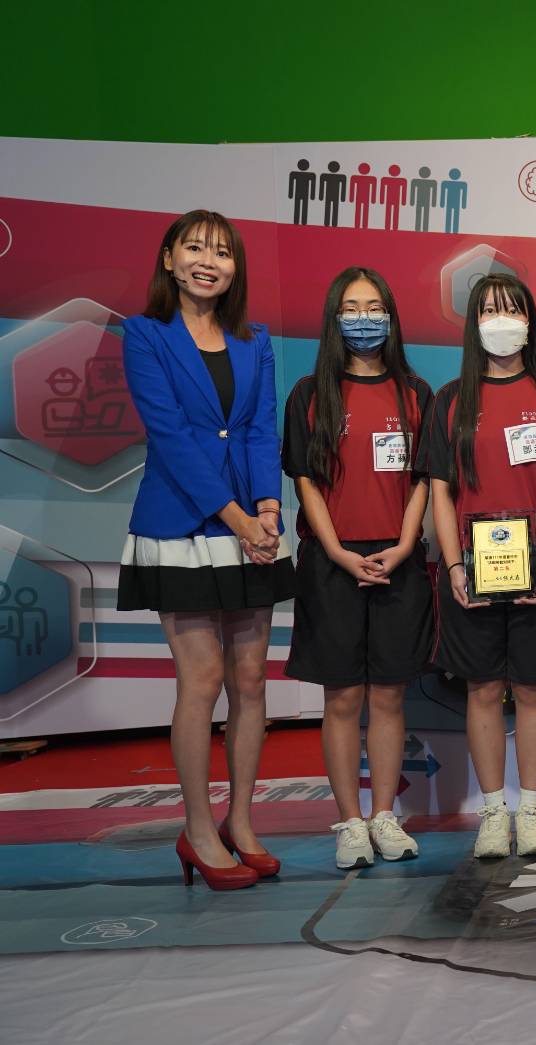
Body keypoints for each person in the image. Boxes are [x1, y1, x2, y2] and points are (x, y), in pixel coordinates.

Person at [118, 209, 296, 890]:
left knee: (250, 680)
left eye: (221, 252)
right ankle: (196, 831)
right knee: (201, 679)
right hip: (182, 526)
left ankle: (239, 821)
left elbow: (258, 429)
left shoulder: (256, 340)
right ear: (168, 259)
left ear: (234, 268)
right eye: (193, 248)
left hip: (252, 523)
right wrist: (237, 518)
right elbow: (169, 436)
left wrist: (268, 508)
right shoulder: (144, 334)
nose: (207, 261)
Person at [420, 274, 536, 859]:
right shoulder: (449, 400)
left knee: (534, 688)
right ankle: (494, 812)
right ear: (473, 324)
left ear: (528, 321)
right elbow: (440, 492)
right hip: (472, 570)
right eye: (489, 310)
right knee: (484, 688)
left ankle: (532, 810)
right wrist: (453, 565)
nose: (501, 320)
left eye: (512, 309)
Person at [282, 267, 433, 870]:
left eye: (374, 307)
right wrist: (339, 552)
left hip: (399, 559)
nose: (363, 318)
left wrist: (405, 543)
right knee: (342, 698)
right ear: (334, 317)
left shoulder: (415, 393)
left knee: (390, 698)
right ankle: (349, 822)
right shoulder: (308, 393)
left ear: (391, 317)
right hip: (332, 562)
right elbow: (305, 482)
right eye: (351, 308)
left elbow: (424, 479)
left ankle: (384, 816)